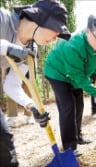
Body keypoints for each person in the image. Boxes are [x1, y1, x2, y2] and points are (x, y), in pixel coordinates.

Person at [0, 0, 69, 166]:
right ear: (43, 20)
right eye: (56, 32)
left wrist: (31, 106)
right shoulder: (2, 19)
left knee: (4, 142)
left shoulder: (31, 50)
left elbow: (12, 85)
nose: (55, 39)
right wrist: (6, 47)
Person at [44, 14, 96, 156]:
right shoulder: (73, 45)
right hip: (58, 73)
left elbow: (93, 57)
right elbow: (78, 76)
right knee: (68, 107)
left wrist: (95, 69)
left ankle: (78, 136)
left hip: (74, 72)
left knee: (79, 105)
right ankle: (70, 147)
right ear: (88, 31)